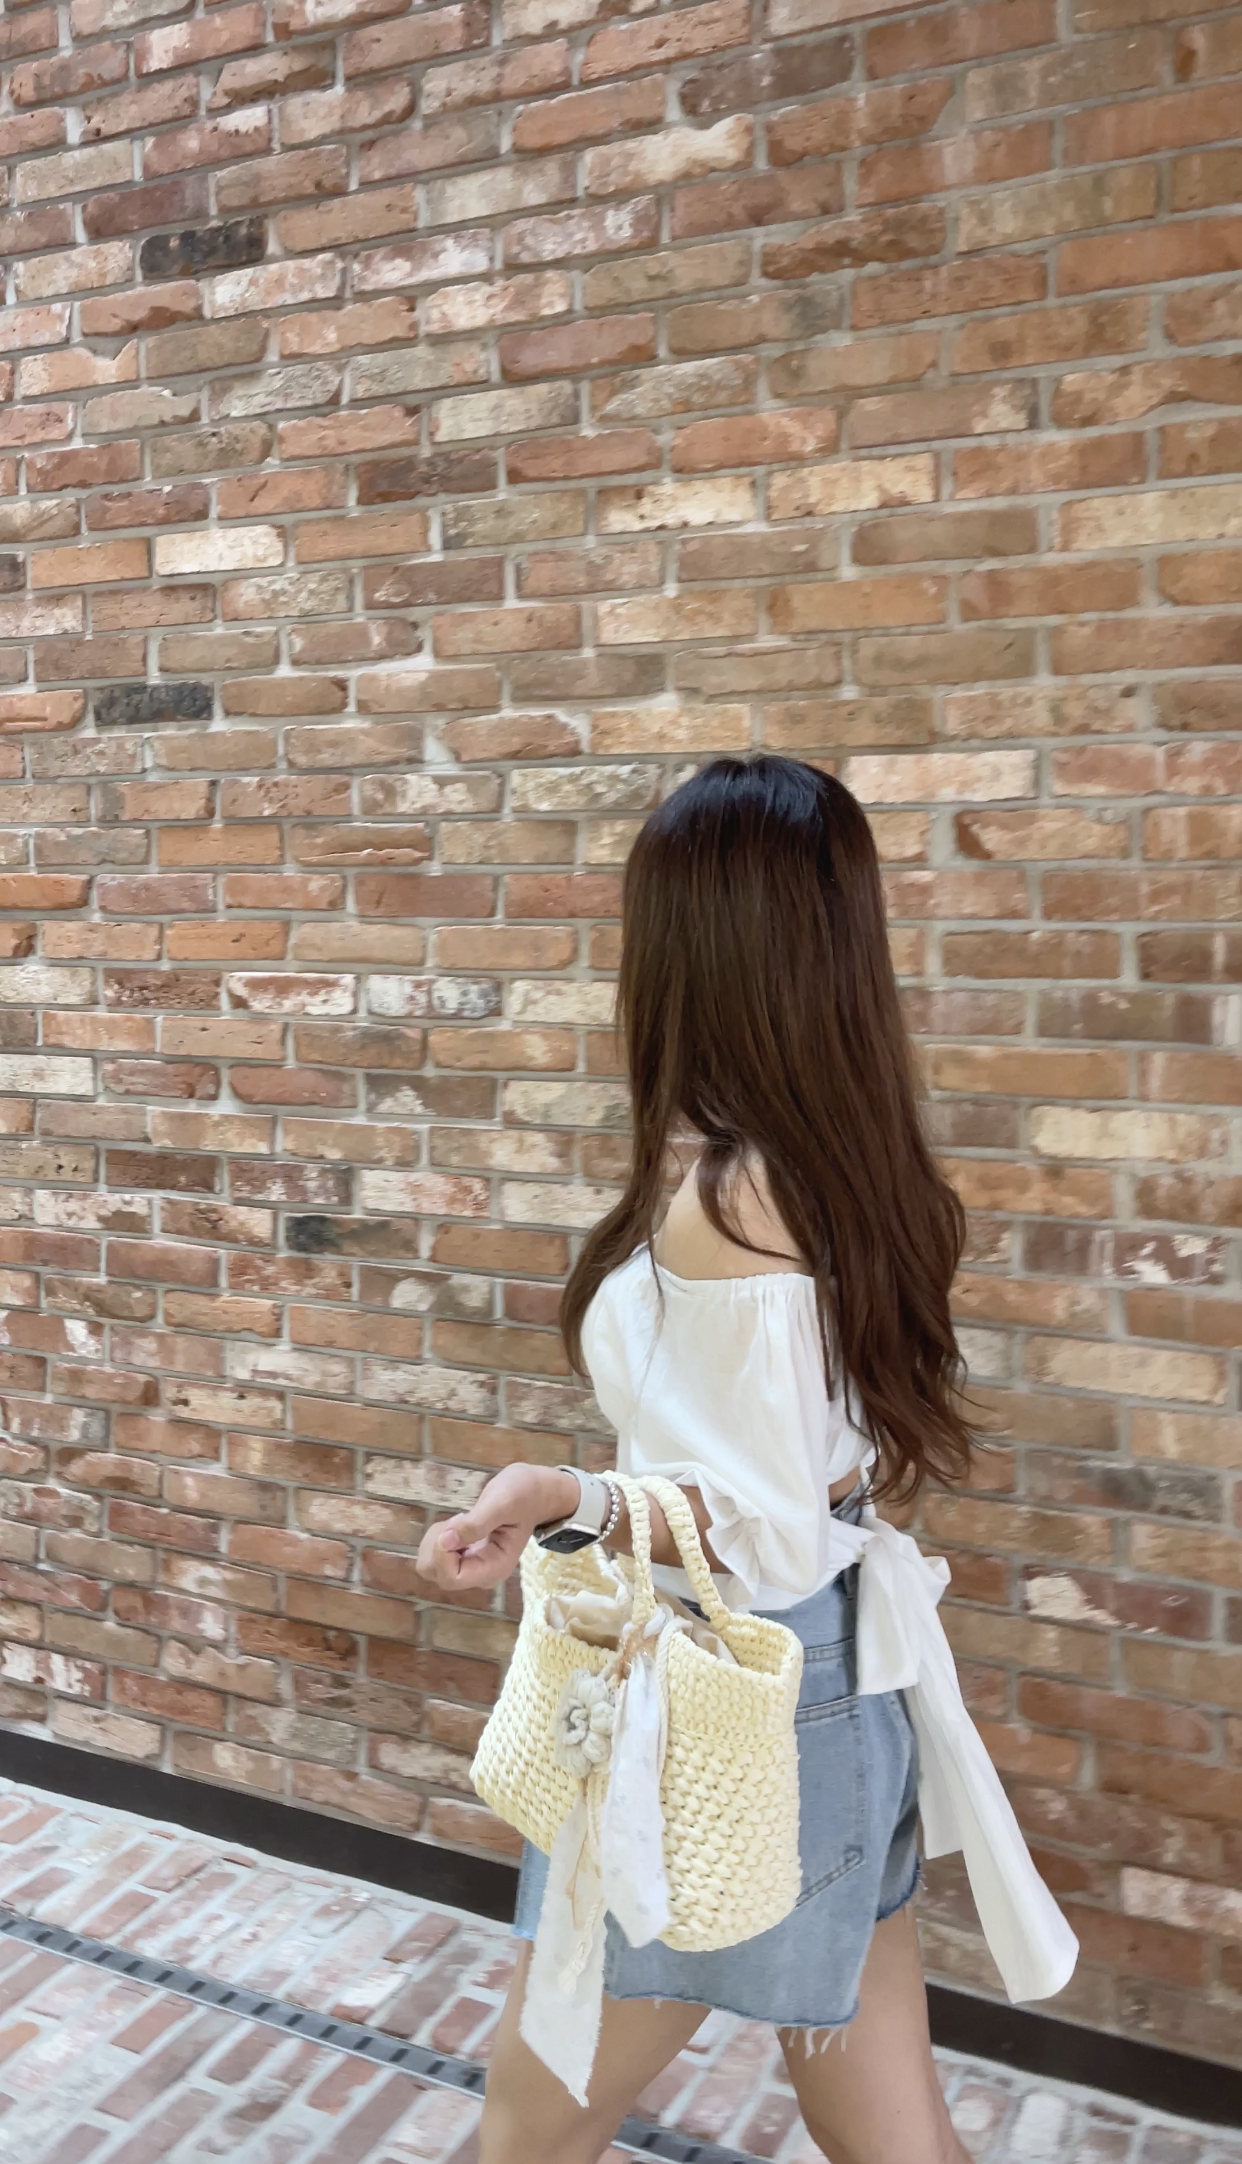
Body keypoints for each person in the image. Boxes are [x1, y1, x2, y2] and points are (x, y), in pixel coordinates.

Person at [417, 755, 1074, 2164]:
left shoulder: (730, 1198)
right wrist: (575, 1495)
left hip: (723, 1709)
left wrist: (573, 1499)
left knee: (529, 2126)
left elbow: (755, 1532)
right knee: (887, 2131)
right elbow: (793, 1494)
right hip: (828, 1691)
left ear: (693, 949)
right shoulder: (835, 1164)